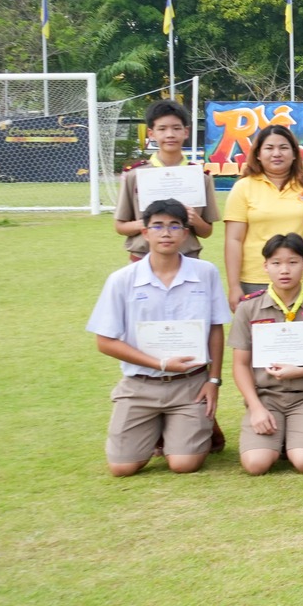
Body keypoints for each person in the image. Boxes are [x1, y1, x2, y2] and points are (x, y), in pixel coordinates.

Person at [87, 198, 234, 476]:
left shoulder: (205, 272)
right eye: (157, 226)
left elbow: (216, 327)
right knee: (122, 467)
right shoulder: (122, 279)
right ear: (145, 232)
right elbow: (104, 341)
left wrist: (213, 380)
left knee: (184, 464)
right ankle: (159, 428)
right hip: (140, 385)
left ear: (185, 233)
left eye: (174, 226)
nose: (166, 233)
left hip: (190, 383)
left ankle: (179, 430)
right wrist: (161, 364)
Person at [226, 233, 303, 475]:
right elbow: (240, 364)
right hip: (266, 396)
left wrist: (301, 371)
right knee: (256, 464)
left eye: (292, 262)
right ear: (265, 266)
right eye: (276, 263)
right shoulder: (249, 307)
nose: (284, 270)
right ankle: (284, 440)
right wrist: (255, 407)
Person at [113, 99, 217, 262]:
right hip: (143, 259)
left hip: (187, 259)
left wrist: (195, 220)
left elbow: (206, 231)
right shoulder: (134, 175)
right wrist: (148, 223)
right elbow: (120, 226)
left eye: (176, 128)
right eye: (162, 129)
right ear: (151, 134)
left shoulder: (200, 176)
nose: (170, 135)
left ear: (186, 132)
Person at [222, 122, 303, 296]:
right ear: (258, 154)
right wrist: (234, 286)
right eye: (269, 148)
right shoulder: (243, 187)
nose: (276, 153)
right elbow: (234, 240)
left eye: (283, 148)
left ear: (294, 153)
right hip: (257, 279)